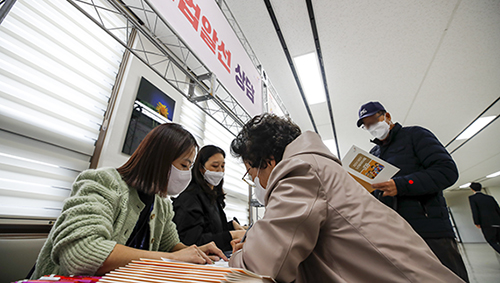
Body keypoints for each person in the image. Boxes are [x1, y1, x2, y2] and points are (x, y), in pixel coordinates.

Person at [228, 113, 464, 283]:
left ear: (269, 161)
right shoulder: (317, 165)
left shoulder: (300, 169)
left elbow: (261, 268)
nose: (255, 182)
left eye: (252, 173)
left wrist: (242, 253)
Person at [31, 123, 226, 278]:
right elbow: (82, 253)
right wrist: (172, 258)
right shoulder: (104, 182)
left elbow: (171, 244)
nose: (186, 174)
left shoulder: (161, 203)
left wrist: (196, 252)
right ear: (160, 159)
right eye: (184, 165)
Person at [356, 101, 469, 282]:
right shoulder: (374, 153)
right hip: (396, 234)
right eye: (367, 125)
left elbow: (446, 171)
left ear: (387, 116)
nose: (371, 127)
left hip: (430, 231)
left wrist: (401, 185)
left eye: (373, 121)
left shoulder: (415, 135)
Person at [172, 145, 246, 252]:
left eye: (222, 166)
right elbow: (192, 241)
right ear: (201, 168)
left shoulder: (212, 197)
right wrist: (231, 235)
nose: (220, 171)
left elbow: (214, 228)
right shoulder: (190, 198)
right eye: (215, 166)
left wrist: (232, 225)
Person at [469, 182, 500, 254]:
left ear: (472, 189)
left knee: (491, 241)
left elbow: (475, 210)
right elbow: (497, 209)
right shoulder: (490, 197)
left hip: (486, 223)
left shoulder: (472, 198)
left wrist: (476, 222)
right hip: (497, 222)